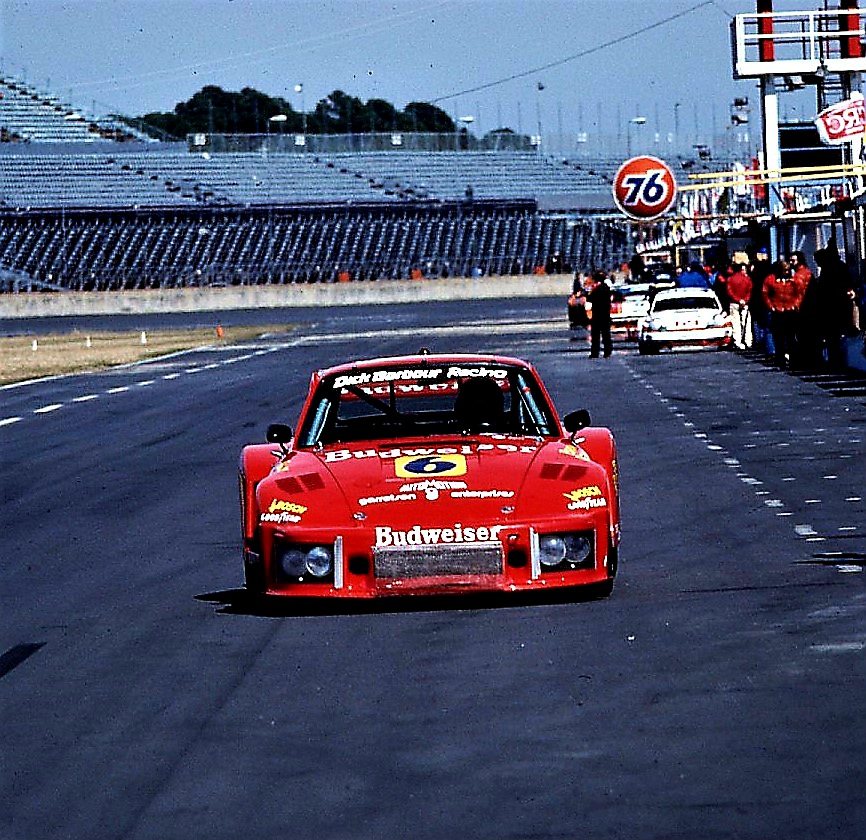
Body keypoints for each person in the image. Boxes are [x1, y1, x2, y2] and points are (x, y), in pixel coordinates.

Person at [763, 258, 805, 367]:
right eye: (784, 270)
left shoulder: (793, 279)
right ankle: (780, 358)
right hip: (777, 310)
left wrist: (796, 305)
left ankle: (794, 359)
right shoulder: (770, 279)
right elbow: (765, 293)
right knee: (778, 337)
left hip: (790, 310)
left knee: (791, 337)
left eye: (787, 270)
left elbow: (799, 292)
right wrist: (771, 306)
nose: (786, 272)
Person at [748, 247, 773, 354]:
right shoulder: (770, 273)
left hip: (758, 300)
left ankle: (762, 344)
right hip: (769, 302)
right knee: (768, 326)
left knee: (760, 323)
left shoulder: (755, 272)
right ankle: (770, 348)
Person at [726, 256, 753, 350]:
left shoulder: (730, 279)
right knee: (746, 322)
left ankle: (737, 341)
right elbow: (749, 291)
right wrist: (745, 300)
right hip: (745, 303)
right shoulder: (748, 279)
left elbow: (729, 292)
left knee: (736, 323)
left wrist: (737, 300)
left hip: (734, 303)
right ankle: (748, 341)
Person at [586, 270, 613, 358]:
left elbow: (589, 299)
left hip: (597, 315)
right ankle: (607, 351)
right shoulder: (606, 288)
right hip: (605, 314)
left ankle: (595, 352)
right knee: (606, 335)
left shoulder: (595, 289)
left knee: (595, 335)